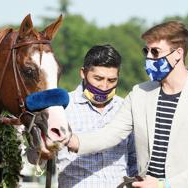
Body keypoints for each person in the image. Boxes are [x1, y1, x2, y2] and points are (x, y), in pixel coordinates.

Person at [67, 21, 188, 188]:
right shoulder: (139, 93)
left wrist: (165, 185)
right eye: (146, 51)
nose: (149, 57)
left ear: (178, 53)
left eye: (155, 52)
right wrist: (69, 140)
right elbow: (110, 134)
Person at [57, 45, 137, 187]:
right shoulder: (62, 108)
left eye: (111, 80)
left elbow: (134, 159)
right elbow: (37, 158)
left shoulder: (125, 107)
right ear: (83, 73)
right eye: (98, 78)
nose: (104, 86)